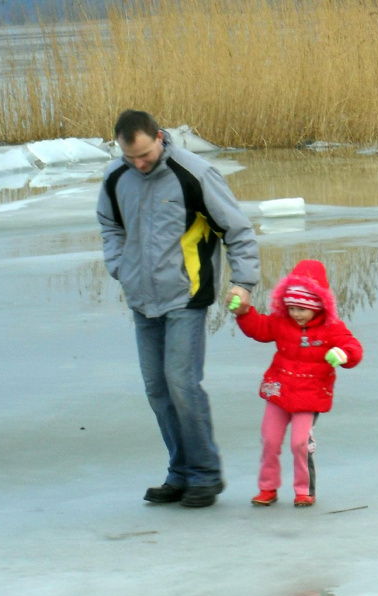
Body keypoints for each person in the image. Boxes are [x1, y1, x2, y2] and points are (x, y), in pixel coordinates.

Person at [97, 109, 260, 508]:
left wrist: (244, 281)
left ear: (159, 137)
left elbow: (236, 230)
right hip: (141, 299)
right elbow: (109, 225)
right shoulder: (117, 176)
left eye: (145, 155)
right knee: (157, 390)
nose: (139, 164)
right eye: (130, 157)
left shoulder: (193, 173)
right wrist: (121, 267)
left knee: (182, 383)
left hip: (187, 295)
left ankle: (205, 475)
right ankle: (180, 473)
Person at [233, 259, 362, 507]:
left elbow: (352, 346)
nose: (296, 314)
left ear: (318, 305)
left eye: (301, 309)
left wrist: (343, 355)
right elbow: (260, 329)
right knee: (269, 440)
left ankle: (304, 490)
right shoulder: (282, 322)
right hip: (279, 391)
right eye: (291, 308)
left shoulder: (331, 328)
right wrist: (243, 313)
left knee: (300, 444)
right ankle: (267, 487)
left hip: (309, 397)